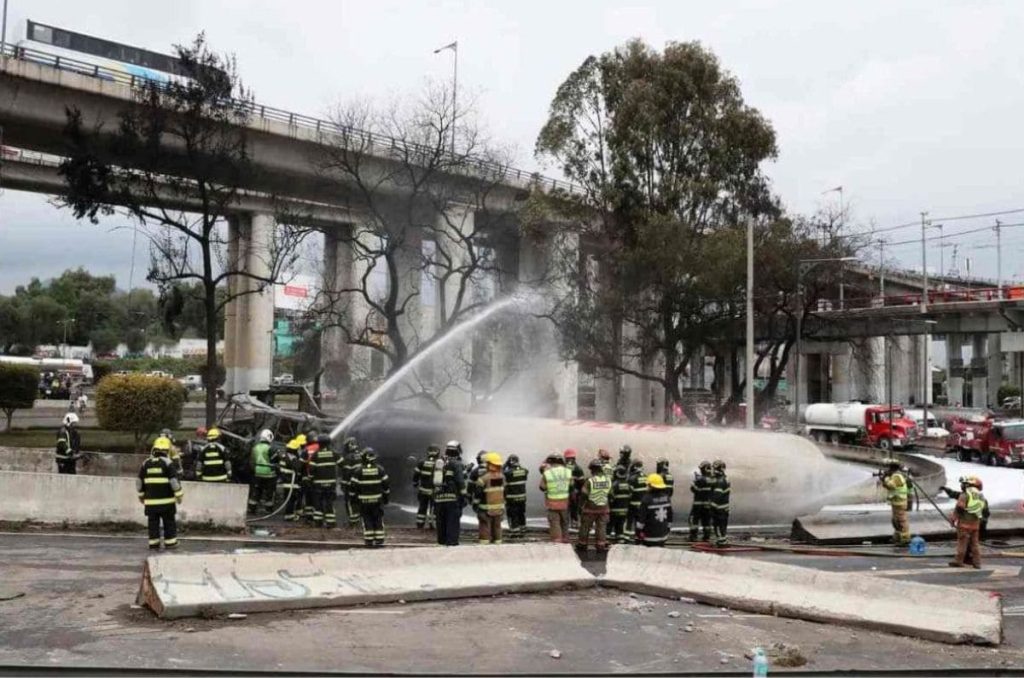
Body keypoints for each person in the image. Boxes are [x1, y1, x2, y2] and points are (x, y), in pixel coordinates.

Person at [136, 436, 184, 550]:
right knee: (169, 523)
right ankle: (171, 543)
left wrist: (141, 497)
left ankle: (154, 543)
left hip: (151, 503)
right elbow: (174, 482)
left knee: (153, 524)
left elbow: (139, 482)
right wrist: (179, 495)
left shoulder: (145, 463)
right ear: (167, 450)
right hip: (167, 503)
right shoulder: (167, 463)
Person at [353, 447, 390, 546]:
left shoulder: (358, 471)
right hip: (377, 500)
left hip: (364, 502)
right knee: (378, 518)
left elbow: (353, 487)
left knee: (366, 519)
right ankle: (379, 539)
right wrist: (386, 498)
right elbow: (386, 485)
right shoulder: (380, 469)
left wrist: (354, 499)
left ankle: (369, 539)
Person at [949, 475, 987, 569]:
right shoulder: (981, 497)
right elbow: (984, 510)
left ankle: (958, 561)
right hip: (975, 525)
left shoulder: (964, 495)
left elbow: (959, 508)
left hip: (964, 525)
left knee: (962, 543)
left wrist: (953, 519)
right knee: (975, 544)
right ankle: (977, 563)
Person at [434, 441, 467, 546]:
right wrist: (464, 495)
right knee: (452, 521)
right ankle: (452, 542)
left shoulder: (439, 462)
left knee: (441, 521)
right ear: (458, 451)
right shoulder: (457, 464)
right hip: (452, 498)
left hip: (439, 498)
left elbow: (433, 480)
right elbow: (460, 481)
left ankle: (441, 541)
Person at [577, 458, 611, 552]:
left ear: (593, 469)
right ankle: (600, 546)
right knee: (601, 527)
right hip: (604, 508)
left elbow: (584, 493)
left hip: (590, 508)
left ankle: (582, 544)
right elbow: (611, 493)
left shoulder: (590, 480)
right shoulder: (608, 480)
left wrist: (580, 506)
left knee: (585, 526)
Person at [942, 476, 991, 541]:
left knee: (972, 543)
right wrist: (946, 489)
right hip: (971, 526)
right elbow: (955, 494)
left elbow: (984, 515)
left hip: (976, 527)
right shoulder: (967, 496)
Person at [308, 434, 340, 527]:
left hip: (318, 484)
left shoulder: (315, 455)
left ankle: (318, 522)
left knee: (318, 503)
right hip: (331, 484)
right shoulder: (334, 453)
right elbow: (343, 464)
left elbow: (311, 470)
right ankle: (331, 522)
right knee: (329, 502)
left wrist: (310, 479)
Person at [540, 452, 572, 543]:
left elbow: (542, 487)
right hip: (564, 502)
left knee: (555, 523)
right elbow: (572, 484)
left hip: (552, 503)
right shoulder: (568, 471)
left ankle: (557, 542)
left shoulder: (547, 473)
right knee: (564, 522)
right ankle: (565, 539)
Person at [476, 452, 506, 545]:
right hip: (499, 508)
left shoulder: (483, 479)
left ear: (489, 464)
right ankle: (498, 543)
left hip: (485, 508)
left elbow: (478, 494)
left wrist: (475, 504)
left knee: (485, 526)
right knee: (497, 527)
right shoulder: (502, 477)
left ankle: (484, 544)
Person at [879, 458, 910, 546]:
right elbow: (889, 486)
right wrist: (884, 480)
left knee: (901, 521)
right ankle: (897, 537)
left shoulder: (897, 476)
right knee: (895, 521)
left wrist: (885, 478)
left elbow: (891, 485)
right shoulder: (895, 475)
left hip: (900, 502)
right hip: (896, 502)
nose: (888, 470)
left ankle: (905, 539)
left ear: (893, 468)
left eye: (890, 468)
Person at [636, 473, 672, 547]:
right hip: (663, 536)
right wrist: (668, 528)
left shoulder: (646, 499)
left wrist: (638, 531)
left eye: (648, 485)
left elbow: (641, 519)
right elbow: (670, 515)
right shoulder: (666, 497)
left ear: (651, 486)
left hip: (650, 537)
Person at [248, 429, 278, 514]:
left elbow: (252, 461)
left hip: (258, 472)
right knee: (269, 493)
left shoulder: (255, 448)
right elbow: (275, 461)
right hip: (269, 474)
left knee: (256, 491)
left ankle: (252, 508)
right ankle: (268, 509)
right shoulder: (271, 448)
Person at [413, 445, 441, 529]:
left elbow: (416, 475)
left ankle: (420, 524)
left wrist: (415, 483)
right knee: (434, 508)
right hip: (434, 491)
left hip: (423, 490)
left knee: (422, 507)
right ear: (437, 452)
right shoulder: (439, 463)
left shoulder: (422, 462)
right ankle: (433, 524)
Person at [503, 454, 529, 538]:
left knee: (513, 515)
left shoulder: (508, 473)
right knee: (521, 513)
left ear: (510, 462)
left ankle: (515, 532)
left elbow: (500, 472)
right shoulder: (524, 471)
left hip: (512, 498)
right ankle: (523, 529)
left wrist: (505, 464)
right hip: (522, 498)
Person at [278, 437, 304, 521]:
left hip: (287, 481)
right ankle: (289, 516)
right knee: (291, 500)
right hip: (291, 482)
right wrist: (300, 459)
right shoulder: (291, 458)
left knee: (290, 500)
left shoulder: (284, 456)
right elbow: (298, 467)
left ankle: (290, 515)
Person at [340, 437, 362, 528]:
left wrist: (343, 484)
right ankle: (358, 520)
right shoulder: (361, 455)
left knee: (349, 502)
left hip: (351, 484)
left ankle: (353, 522)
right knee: (357, 501)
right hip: (361, 484)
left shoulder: (349, 457)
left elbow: (347, 472)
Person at [688, 460, 713, 541]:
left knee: (693, 519)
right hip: (708, 505)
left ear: (704, 469)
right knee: (706, 521)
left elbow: (694, 489)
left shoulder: (699, 479)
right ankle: (706, 537)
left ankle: (693, 536)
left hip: (698, 505)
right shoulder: (713, 479)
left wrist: (694, 482)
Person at [710, 459, 731, 548]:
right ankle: (723, 539)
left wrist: (712, 507)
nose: (713, 471)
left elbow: (717, 496)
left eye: (714, 469)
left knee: (718, 525)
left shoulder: (720, 482)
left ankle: (721, 542)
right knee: (723, 525)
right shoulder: (725, 479)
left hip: (719, 509)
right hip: (725, 507)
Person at [608, 466, 632, 544]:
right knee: (620, 526)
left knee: (610, 525)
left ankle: (606, 540)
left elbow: (611, 498)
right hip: (625, 510)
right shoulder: (628, 485)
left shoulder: (614, 485)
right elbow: (630, 495)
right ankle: (620, 541)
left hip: (614, 510)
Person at [565, 449, 586, 530]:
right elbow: (582, 482)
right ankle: (574, 522)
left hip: (566, 492)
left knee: (569, 507)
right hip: (575, 492)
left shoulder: (563, 468)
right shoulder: (578, 468)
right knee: (574, 507)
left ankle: (568, 522)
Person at [626, 459, 646, 534]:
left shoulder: (632, 478)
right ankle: (639, 537)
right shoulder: (646, 477)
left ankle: (626, 537)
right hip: (643, 505)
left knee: (629, 521)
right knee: (640, 522)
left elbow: (629, 493)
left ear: (634, 467)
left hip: (633, 505)